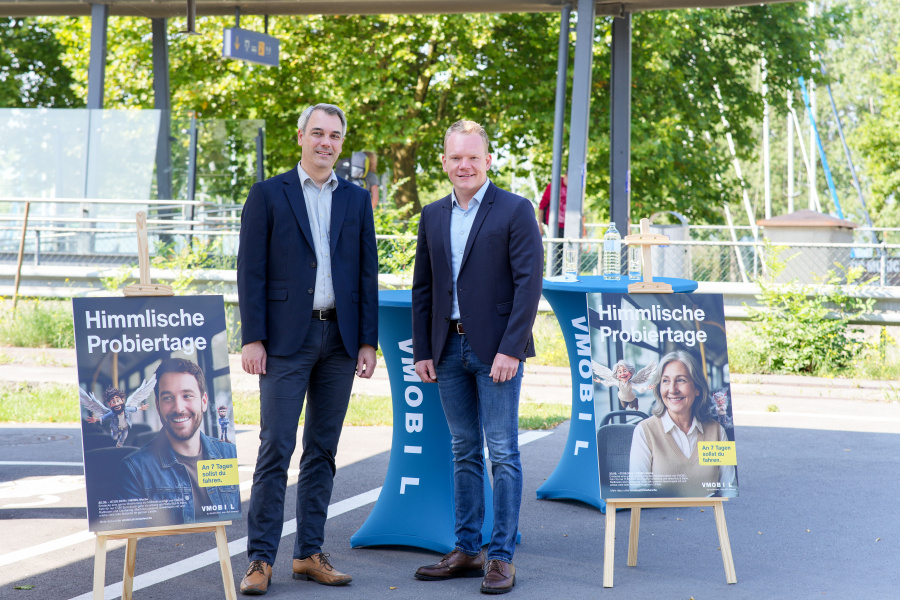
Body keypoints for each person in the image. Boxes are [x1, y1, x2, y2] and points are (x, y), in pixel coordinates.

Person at [236, 103, 378, 595]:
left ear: (342, 143)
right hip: (283, 343)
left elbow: (366, 275)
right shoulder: (268, 194)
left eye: (334, 136)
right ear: (300, 137)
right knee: (275, 447)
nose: (326, 142)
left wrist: (367, 341)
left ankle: (309, 554)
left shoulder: (357, 201)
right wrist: (252, 337)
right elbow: (250, 271)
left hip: (339, 340)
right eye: (317, 133)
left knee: (322, 449)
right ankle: (259, 560)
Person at [411, 119, 544, 595]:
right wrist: (422, 349)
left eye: (473, 156)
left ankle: (501, 556)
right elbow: (423, 287)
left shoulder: (514, 209)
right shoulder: (432, 214)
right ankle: (468, 550)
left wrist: (511, 348)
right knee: (464, 450)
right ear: (444, 161)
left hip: (497, 353)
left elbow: (530, 284)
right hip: (446, 349)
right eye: (455, 157)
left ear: (488, 160)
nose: (464, 164)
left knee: (504, 453)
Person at [118, 359, 240, 524]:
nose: (178, 408)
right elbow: (139, 533)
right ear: (158, 405)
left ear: (204, 402)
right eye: (168, 398)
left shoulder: (229, 454)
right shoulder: (134, 469)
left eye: (187, 396)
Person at [628, 350, 737, 498]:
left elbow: (729, 488)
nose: (672, 389)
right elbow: (638, 494)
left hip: (708, 517)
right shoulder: (645, 431)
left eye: (681, 380)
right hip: (661, 518)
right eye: (665, 381)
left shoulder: (716, 431)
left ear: (697, 388)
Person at [81, 381, 152, 448]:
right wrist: (95, 419)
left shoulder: (126, 409)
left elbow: (134, 409)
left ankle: (119, 444)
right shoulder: (111, 413)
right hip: (115, 428)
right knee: (114, 437)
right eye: (113, 402)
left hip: (124, 427)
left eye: (118, 401)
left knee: (124, 436)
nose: (116, 404)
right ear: (109, 404)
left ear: (122, 400)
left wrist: (141, 407)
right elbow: (104, 417)